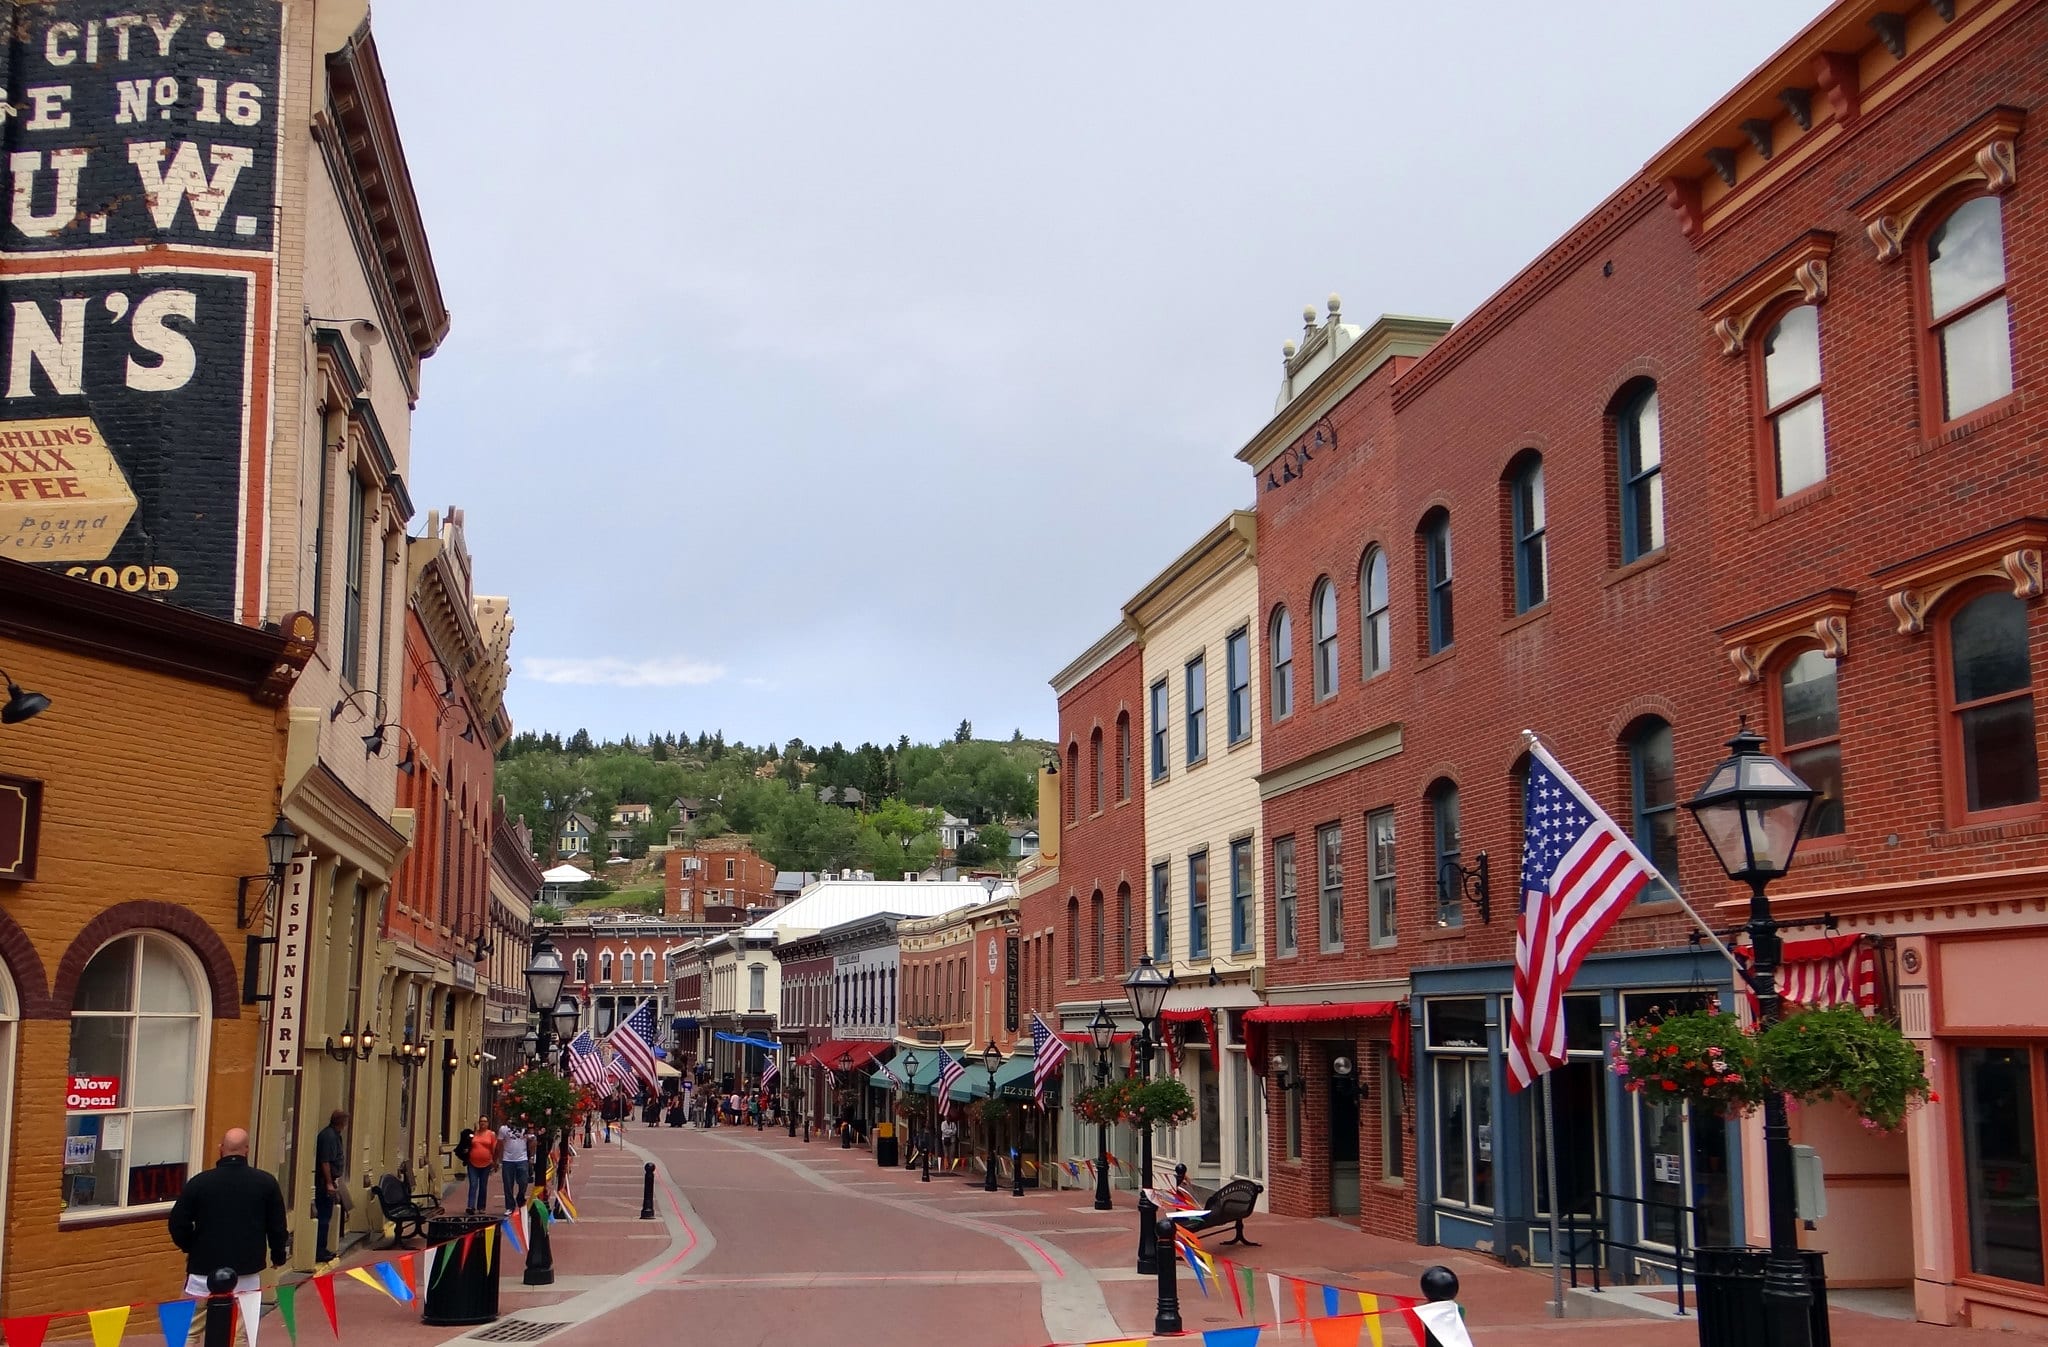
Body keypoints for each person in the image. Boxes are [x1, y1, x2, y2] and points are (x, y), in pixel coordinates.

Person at [168, 1128, 289, 1337]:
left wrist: (191, 1246)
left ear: (221, 1149)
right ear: (247, 1150)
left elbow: (177, 1222)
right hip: (247, 1270)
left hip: (202, 1270)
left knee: (188, 1331)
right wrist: (278, 1255)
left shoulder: (199, 1183)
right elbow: (277, 1225)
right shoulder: (265, 1183)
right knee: (241, 1332)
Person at [313, 1109, 347, 1263]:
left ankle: (323, 1248)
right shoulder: (329, 1137)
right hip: (324, 1182)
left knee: (326, 1215)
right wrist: (328, 1182)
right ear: (341, 1123)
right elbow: (325, 1161)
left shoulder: (333, 1135)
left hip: (330, 1180)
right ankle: (320, 1250)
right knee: (324, 1216)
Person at [464, 1115, 497, 1214]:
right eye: (481, 1121)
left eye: (485, 1121)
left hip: (486, 1164)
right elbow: (468, 1144)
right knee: (473, 1184)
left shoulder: (491, 1134)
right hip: (472, 1163)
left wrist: (494, 1161)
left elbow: (494, 1148)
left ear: (488, 1123)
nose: (483, 1123)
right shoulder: (474, 1133)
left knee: (483, 1185)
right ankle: (471, 1206)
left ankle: (481, 1207)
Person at [499, 1121, 530, 1212]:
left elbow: (532, 1140)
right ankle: (510, 1206)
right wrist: (500, 1158)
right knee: (508, 1184)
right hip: (508, 1159)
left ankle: (520, 1198)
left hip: (522, 1159)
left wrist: (531, 1156)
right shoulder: (503, 1129)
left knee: (524, 1181)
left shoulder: (525, 1128)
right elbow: (500, 1143)